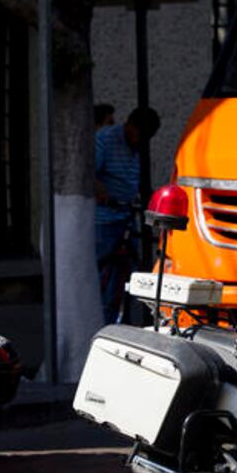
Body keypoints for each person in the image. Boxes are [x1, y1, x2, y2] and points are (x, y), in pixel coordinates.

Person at [94, 106, 161, 324]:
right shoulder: (105, 139)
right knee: (104, 272)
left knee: (131, 273)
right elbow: (88, 174)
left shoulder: (139, 146)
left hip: (126, 216)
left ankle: (123, 317)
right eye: (138, 135)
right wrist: (101, 192)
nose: (139, 142)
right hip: (104, 219)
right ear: (130, 126)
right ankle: (103, 319)